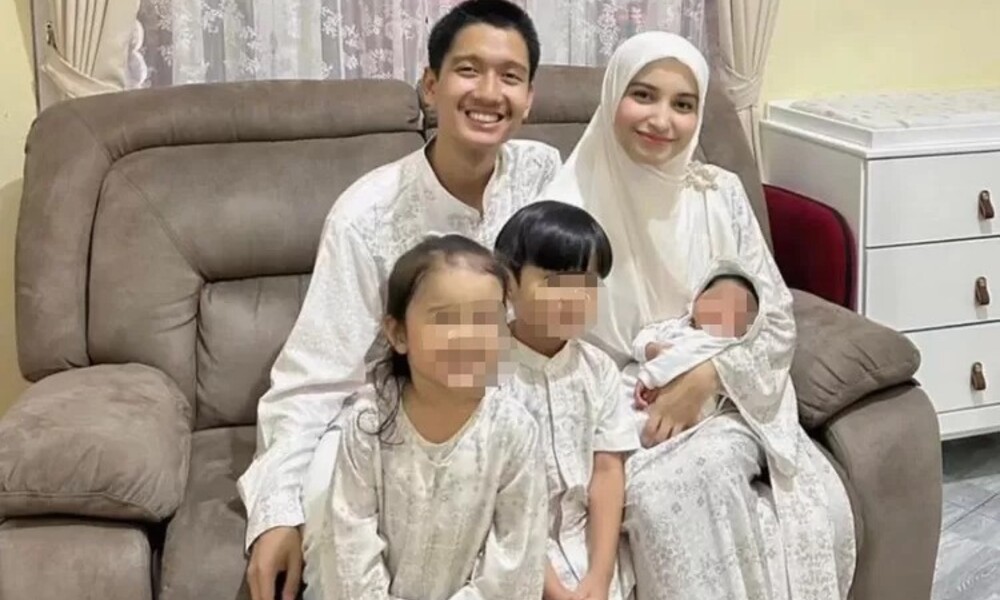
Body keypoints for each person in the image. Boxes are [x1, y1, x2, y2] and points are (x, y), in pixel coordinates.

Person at [236, 2, 562, 598]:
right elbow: (313, 380)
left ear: (530, 98)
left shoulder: (543, 176)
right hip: (400, 425)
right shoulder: (367, 214)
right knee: (325, 494)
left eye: (510, 76)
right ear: (431, 85)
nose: (489, 92)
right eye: (469, 70)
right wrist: (278, 510)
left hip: (514, 419)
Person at [543, 32, 857, 600]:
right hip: (611, 413)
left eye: (683, 104)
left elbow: (774, 317)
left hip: (726, 399)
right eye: (643, 95)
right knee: (665, 493)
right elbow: (537, 340)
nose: (662, 119)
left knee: (763, 495)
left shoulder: (719, 194)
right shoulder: (562, 208)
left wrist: (706, 377)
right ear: (613, 95)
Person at [317, 234, 547, 600]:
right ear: (398, 333)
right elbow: (349, 547)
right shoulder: (368, 425)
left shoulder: (514, 432)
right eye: (447, 319)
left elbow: (514, 561)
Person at [494, 201, 640, 600]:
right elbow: (494, 498)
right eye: (554, 281)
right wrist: (552, 588)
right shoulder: (485, 372)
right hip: (511, 555)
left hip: (585, 549)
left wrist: (600, 575)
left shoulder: (598, 369)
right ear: (508, 283)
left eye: (587, 283)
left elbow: (607, 472)